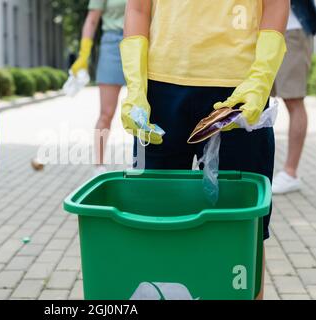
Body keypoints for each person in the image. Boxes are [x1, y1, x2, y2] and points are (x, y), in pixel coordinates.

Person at [122, 0, 289, 299]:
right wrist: (136, 86)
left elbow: (276, 4)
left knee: (242, 230)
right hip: (160, 90)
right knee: (154, 220)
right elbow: (137, 8)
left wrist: (260, 79)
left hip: (238, 90)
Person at [70, 0, 126, 174]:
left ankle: (139, 163)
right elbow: (92, 19)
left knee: (142, 112)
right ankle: (99, 165)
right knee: (106, 113)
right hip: (112, 44)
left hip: (143, 40)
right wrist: (84, 53)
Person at [271, 0, 316, 194]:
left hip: (293, 30)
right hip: (263, 30)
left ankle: (290, 173)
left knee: (293, 100)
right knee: (258, 99)